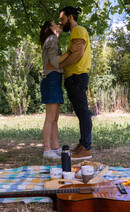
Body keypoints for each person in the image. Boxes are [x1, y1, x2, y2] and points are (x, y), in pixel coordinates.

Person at [47, 6, 92, 160]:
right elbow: (74, 52)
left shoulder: (78, 30)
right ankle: (82, 144)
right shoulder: (75, 32)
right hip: (74, 77)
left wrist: (60, 64)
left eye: (62, 19)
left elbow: (78, 53)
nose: (61, 22)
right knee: (80, 112)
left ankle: (86, 147)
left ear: (70, 17)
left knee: (83, 112)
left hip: (77, 76)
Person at [39, 21, 80, 159]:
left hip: (54, 79)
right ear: (48, 29)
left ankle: (55, 148)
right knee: (50, 117)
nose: (59, 25)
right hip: (50, 79)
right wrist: (70, 51)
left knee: (55, 118)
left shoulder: (53, 40)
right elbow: (55, 61)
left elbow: (55, 62)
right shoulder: (51, 39)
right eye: (55, 24)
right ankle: (47, 150)